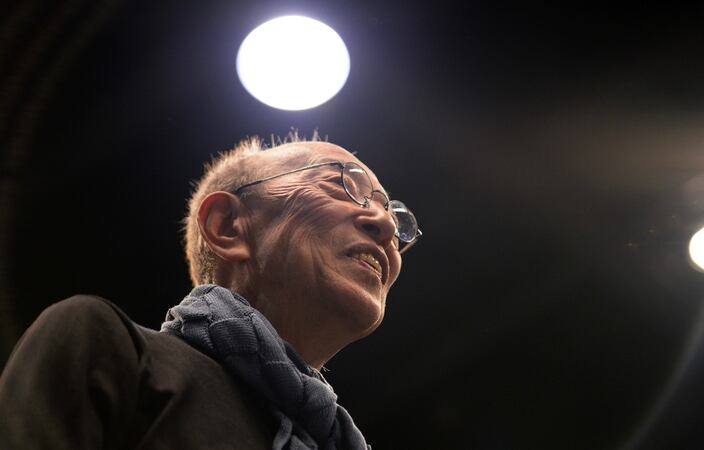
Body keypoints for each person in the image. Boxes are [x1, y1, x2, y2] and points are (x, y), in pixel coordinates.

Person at [0, 135, 421, 449]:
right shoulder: (106, 351)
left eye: (392, 214)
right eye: (343, 184)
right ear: (227, 227)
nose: (385, 227)